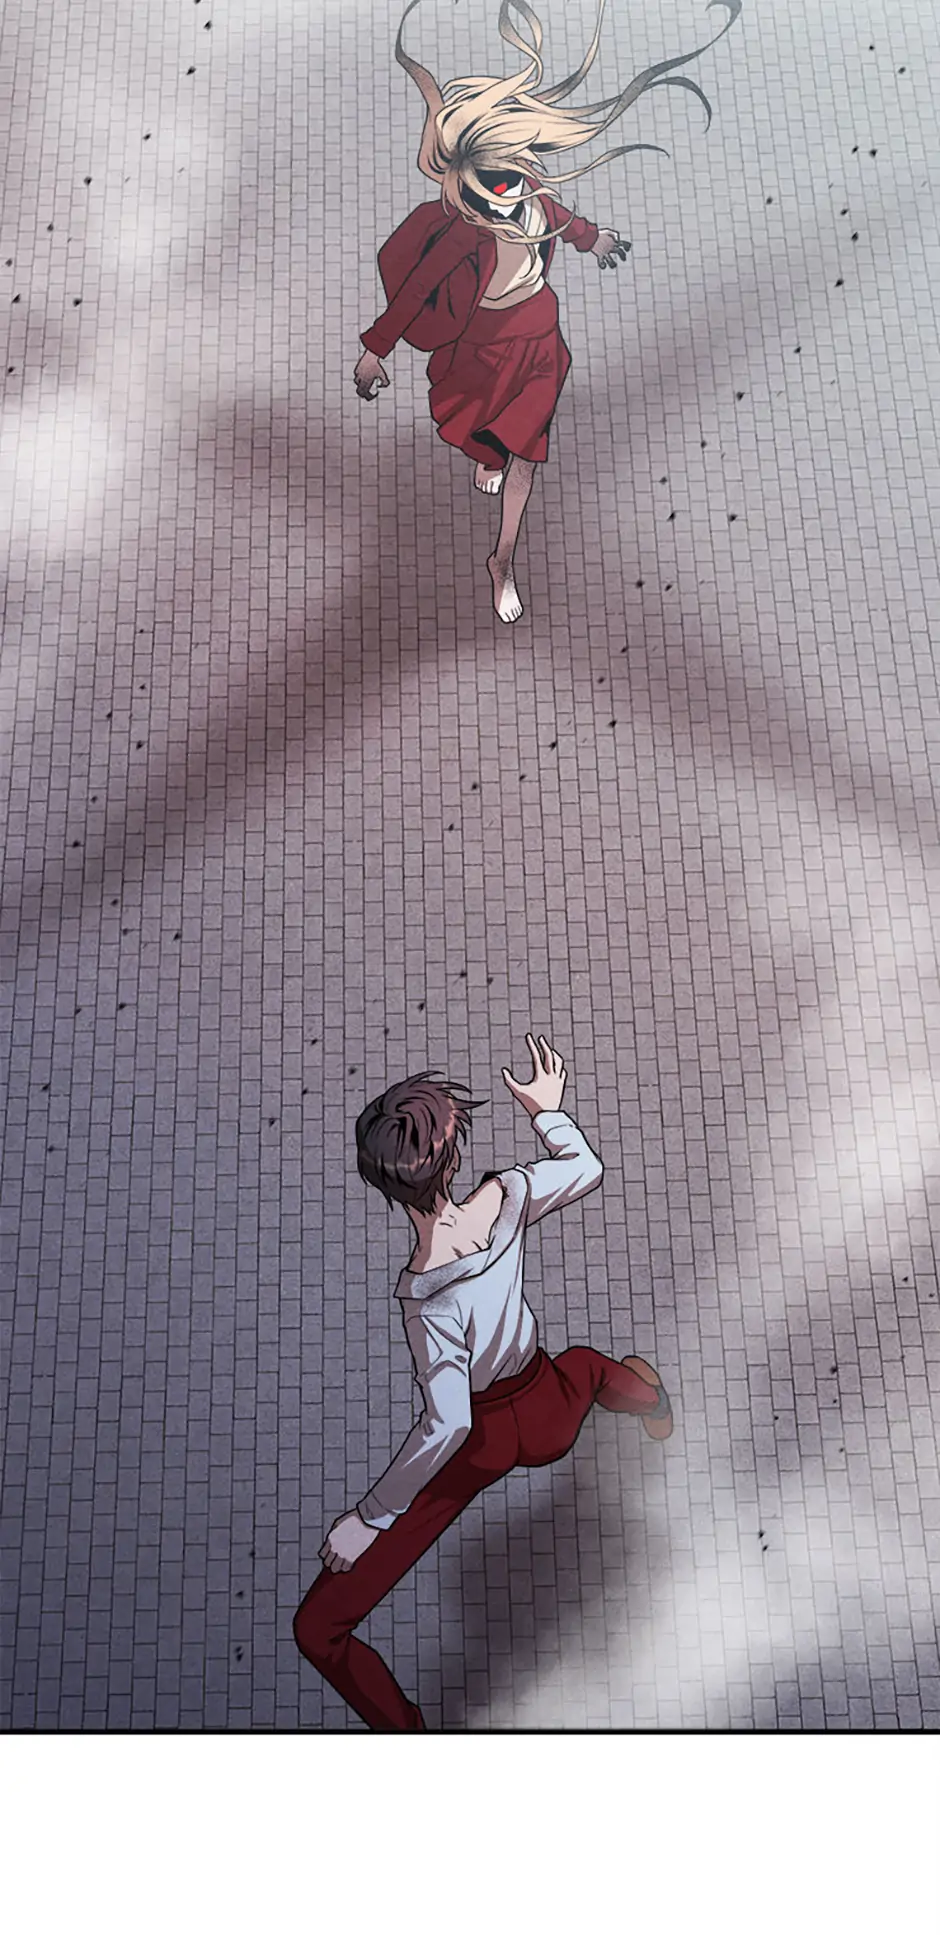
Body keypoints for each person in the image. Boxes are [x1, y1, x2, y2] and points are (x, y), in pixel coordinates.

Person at [293, 1033, 674, 1731]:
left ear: (383, 1184)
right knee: (589, 1367)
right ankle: (650, 1402)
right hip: (550, 1405)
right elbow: (586, 1168)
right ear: (454, 1155)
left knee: (318, 1629)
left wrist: (369, 1517)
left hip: (479, 1448)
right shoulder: (505, 1196)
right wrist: (546, 1110)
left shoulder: (425, 1297)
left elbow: (448, 1423)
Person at [354, 0, 742, 623]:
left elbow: (563, 220)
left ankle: (502, 560)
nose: (510, 190)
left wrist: (598, 240)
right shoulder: (464, 230)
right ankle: (486, 454)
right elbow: (415, 288)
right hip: (478, 350)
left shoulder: (532, 195)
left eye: (513, 174)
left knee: (527, 454)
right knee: (468, 425)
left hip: (540, 342)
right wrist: (375, 349)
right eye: (495, 181)